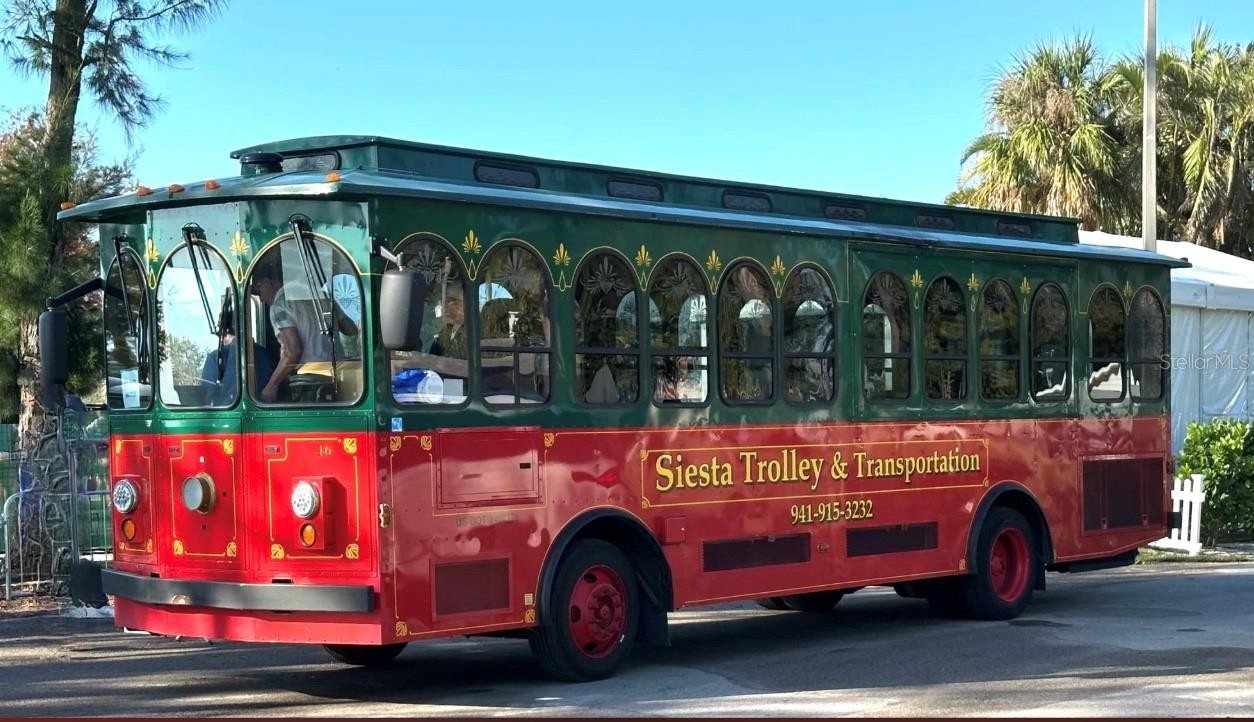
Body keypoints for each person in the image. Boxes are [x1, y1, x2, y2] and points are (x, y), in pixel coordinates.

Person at [249, 261, 358, 402]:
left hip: (310, 386)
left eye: (259, 288)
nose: (261, 298)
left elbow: (292, 351)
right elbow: (350, 329)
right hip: (340, 379)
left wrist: (271, 386)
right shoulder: (322, 295)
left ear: (271, 282)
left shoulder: (280, 306)